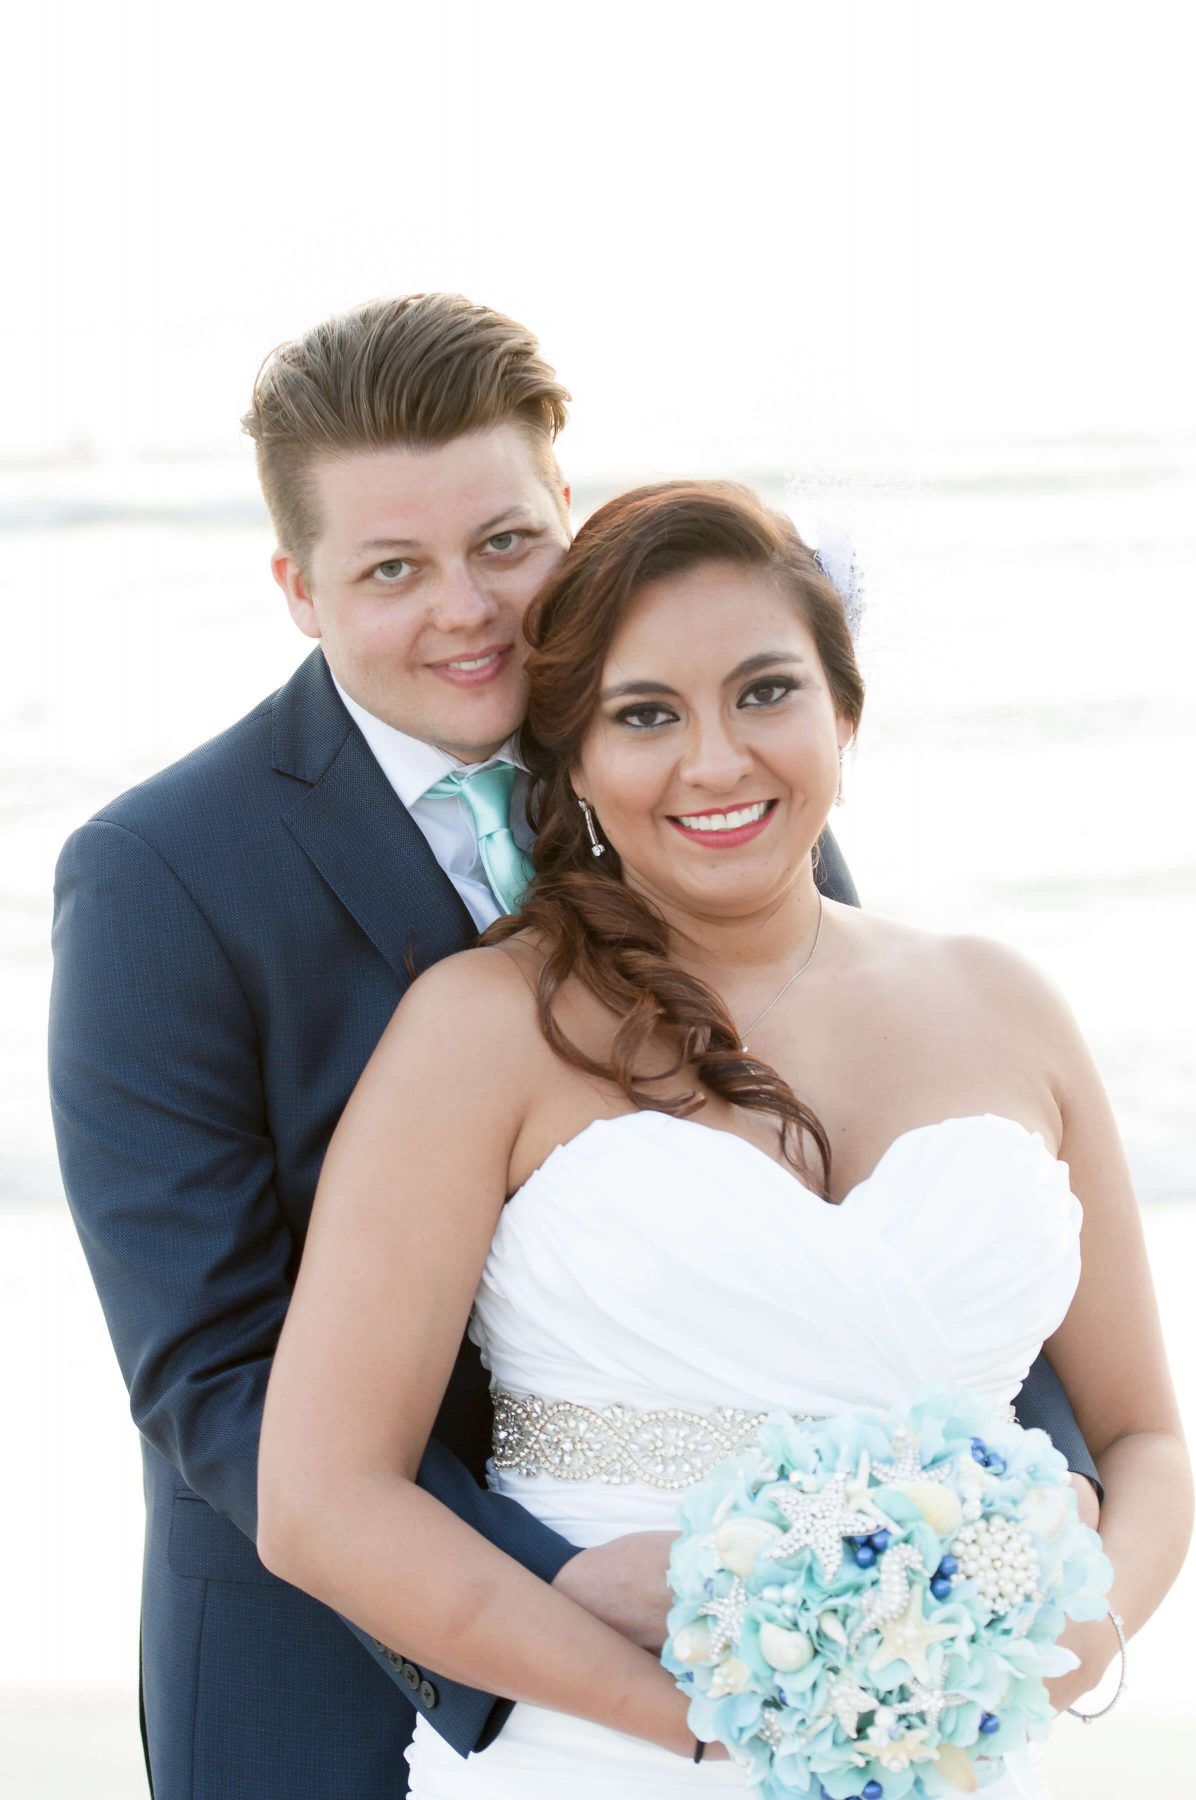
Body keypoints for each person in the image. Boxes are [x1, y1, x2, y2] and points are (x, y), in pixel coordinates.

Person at [49, 296, 1096, 1799]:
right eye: (393, 569)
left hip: (796, 1629)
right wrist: (554, 1575)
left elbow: (879, 1162)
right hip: (328, 1660)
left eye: (502, 543)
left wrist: (1008, 1503)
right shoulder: (165, 871)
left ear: (566, 515)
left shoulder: (690, 776)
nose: (466, 609)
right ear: (299, 587)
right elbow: (208, 1370)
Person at [257, 480, 1191, 1798]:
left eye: (766, 692)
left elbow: (1146, 1438)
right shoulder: (483, 1032)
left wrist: (1088, 1627)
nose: (715, 760)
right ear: (573, 758)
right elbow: (321, 1503)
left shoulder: (1007, 1005)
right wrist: (705, 1721)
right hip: (598, 1742)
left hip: (951, 1746)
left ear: (845, 709)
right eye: (647, 716)